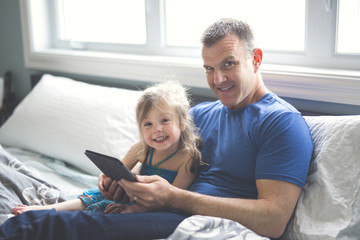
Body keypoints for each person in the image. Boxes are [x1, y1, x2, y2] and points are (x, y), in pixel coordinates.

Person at [0, 18, 313, 240]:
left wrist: (173, 198)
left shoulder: (281, 122)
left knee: (61, 227)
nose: (217, 80)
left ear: (255, 59)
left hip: (189, 220)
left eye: (228, 64)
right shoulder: (198, 115)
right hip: (163, 209)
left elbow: (273, 220)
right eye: (209, 68)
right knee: (71, 215)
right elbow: (154, 158)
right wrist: (120, 181)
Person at [11, 81, 203, 215]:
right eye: (148, 124)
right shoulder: (142, 148)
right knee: (93, 197)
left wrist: (134, 209)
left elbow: (173, 200)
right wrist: (105, 179)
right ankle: (46, 211)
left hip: (152, 206)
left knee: (106, 208)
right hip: (127, 195)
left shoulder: (187, 158)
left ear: (182, 122)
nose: (157, 129)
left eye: (165, 120)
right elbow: (117, 169)